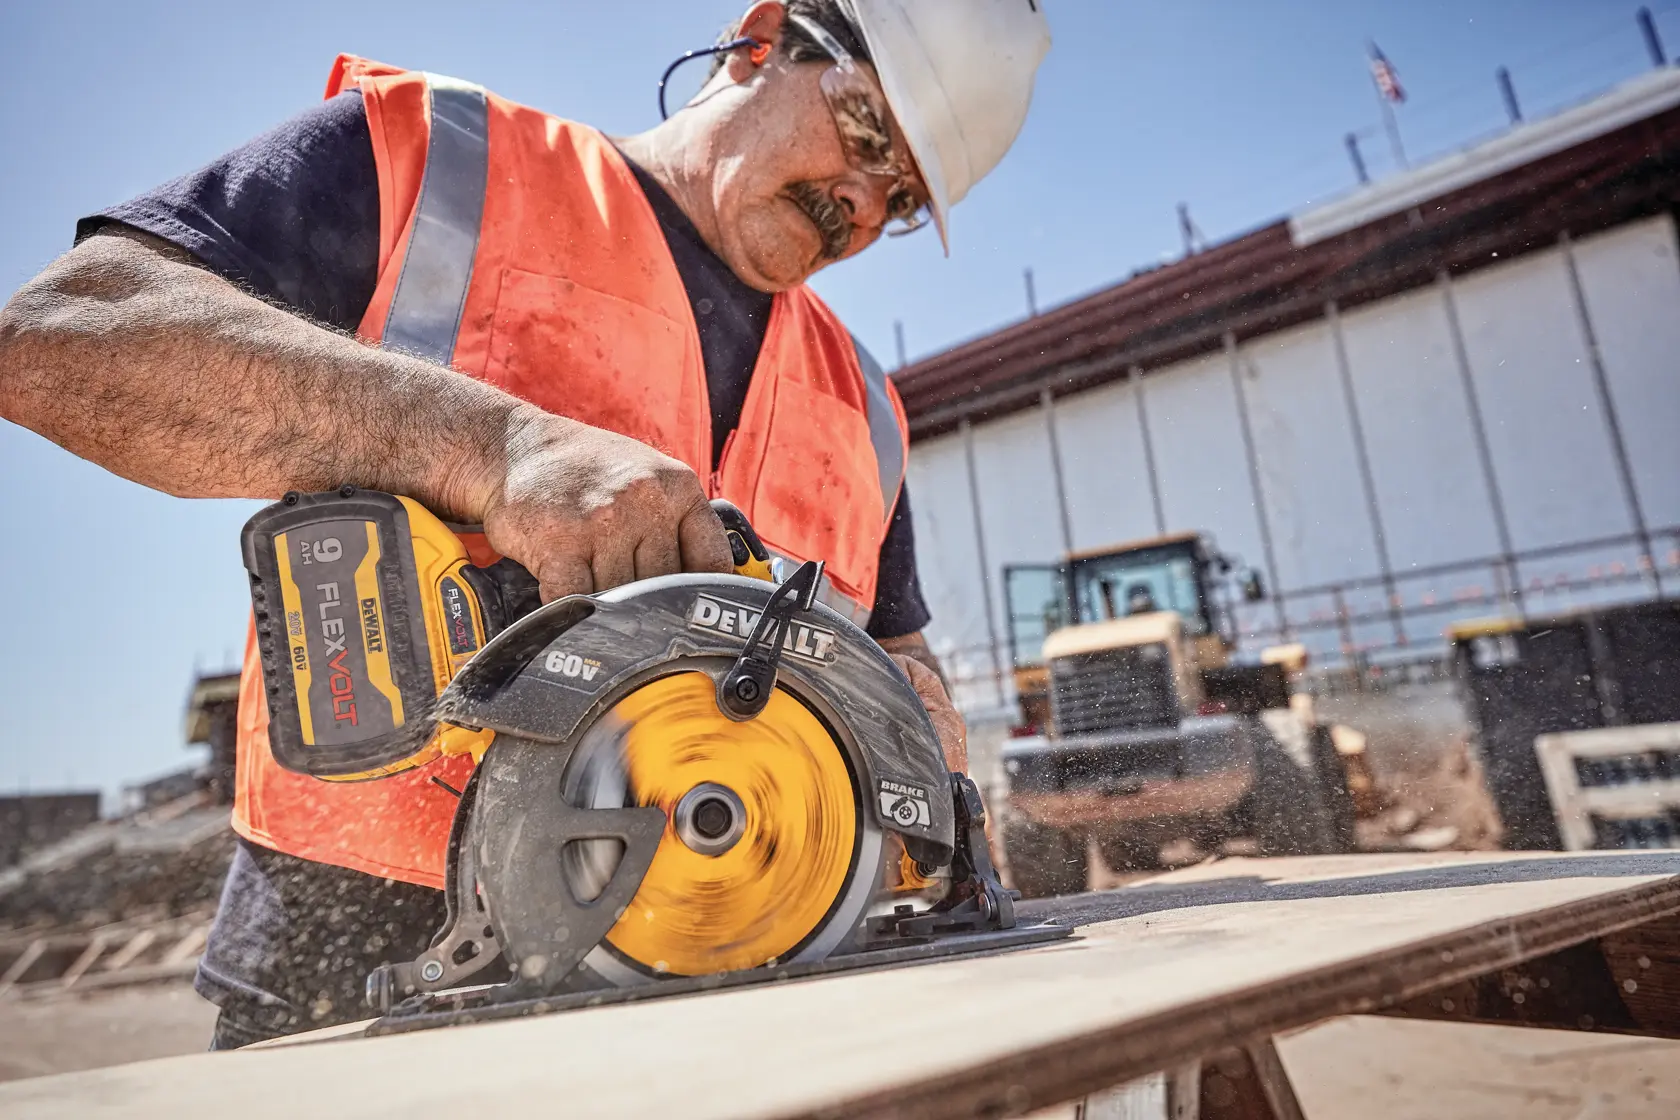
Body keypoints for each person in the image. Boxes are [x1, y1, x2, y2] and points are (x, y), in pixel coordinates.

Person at [0, 0, 1050, 1046]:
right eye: (868, 133)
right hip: (360, 978)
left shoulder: (861, 404)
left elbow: (899, 651)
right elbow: (63, 337)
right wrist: (498, 453)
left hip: (740, 988)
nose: (858, 206)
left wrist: (920, 712)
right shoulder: (447, 168)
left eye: (903, 197)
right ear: (766, 36)